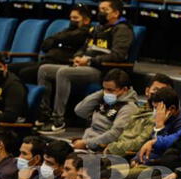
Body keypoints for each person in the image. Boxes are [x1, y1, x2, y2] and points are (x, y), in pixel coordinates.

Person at [37, 0, 133, 133]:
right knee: (44, 69)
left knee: (63, 72)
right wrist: (78, 57)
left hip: (102, 70)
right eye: (100, 9)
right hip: (86, 65)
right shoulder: (98, 27)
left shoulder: (122, 29)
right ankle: (44, 114)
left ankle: (58, 120)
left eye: (105, 10)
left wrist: (89, 61)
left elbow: (118, 55)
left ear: (116, 13)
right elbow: (84, 47)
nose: (100, 13)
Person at [10, 5, 91, 85]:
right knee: (10, 68)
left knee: (25, 73)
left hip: (60, 64)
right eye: (71, 18)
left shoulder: (86, 32)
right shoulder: (68, 30)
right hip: (46, 61)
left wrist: (55, 40)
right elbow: (44, 45)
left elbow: (69, 37)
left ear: (86, 20)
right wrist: (58, 40)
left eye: (75, 18)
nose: (72, 21)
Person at [104, 74, 179, 156]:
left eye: (163, 91)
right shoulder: (139, 109)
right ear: (147, 91)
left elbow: (140, 143)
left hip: (125, 154)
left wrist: (113, 147)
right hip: (117, 150)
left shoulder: (157, 117)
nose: (159, 94)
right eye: (156, 90)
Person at [68, 69, 139, 150]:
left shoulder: (129, 108)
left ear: (124, 90)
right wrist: (102, 92)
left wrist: (86, 143)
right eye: (104, 89)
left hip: (102, 149)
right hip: (87, 141)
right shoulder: (104, 98)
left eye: (110, 90)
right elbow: (80, 111)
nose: (106, 93)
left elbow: (115, 135)